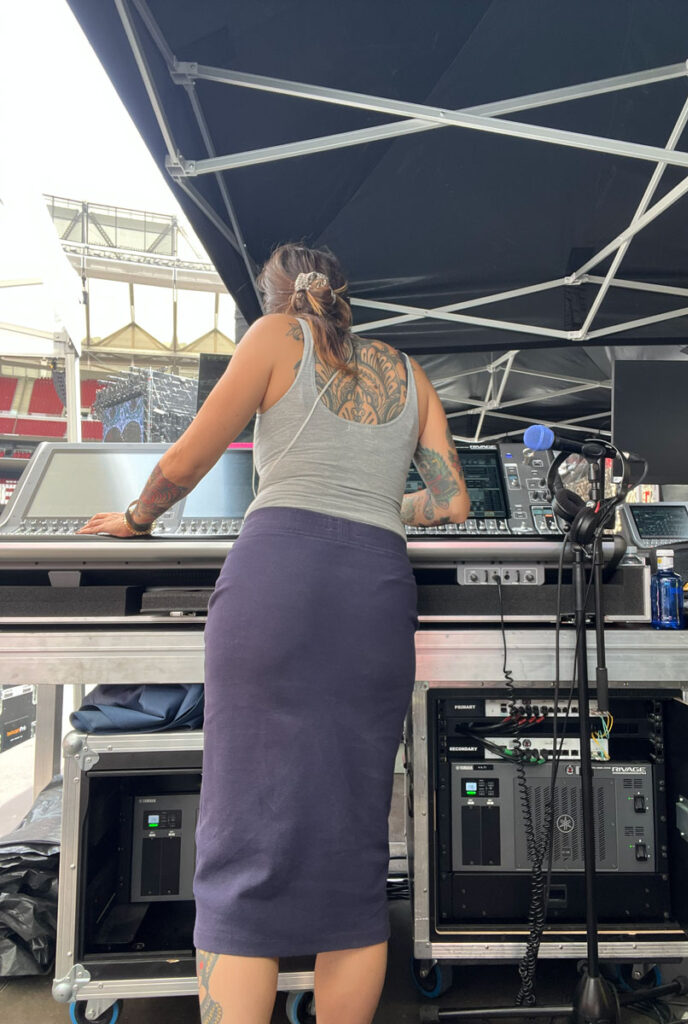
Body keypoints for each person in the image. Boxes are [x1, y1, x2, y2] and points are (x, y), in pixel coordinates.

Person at [77, 243, 470, 1024]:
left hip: (278, 585)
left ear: (277, 294)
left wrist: (134, 517)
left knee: (243, 837)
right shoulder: (409, 372)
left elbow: (188, 459)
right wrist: (380, 504)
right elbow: (451, 501)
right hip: (375, 594)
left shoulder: (273, 337)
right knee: (354, 842)